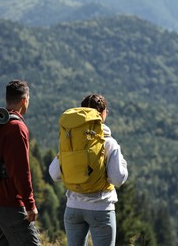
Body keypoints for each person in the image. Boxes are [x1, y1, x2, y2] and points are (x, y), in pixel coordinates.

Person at [49, 94, 128, 246]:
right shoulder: (109, 143)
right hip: (101, 207)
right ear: (103, 113)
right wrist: (123, 164)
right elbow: (118, 178)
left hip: (73, 208)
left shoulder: (71, 141)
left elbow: (54, 174)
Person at [0, 80, 41, 246]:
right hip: (8, 200)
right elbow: (20, 170)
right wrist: (30, 204)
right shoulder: (16, 128)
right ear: (24, 100)